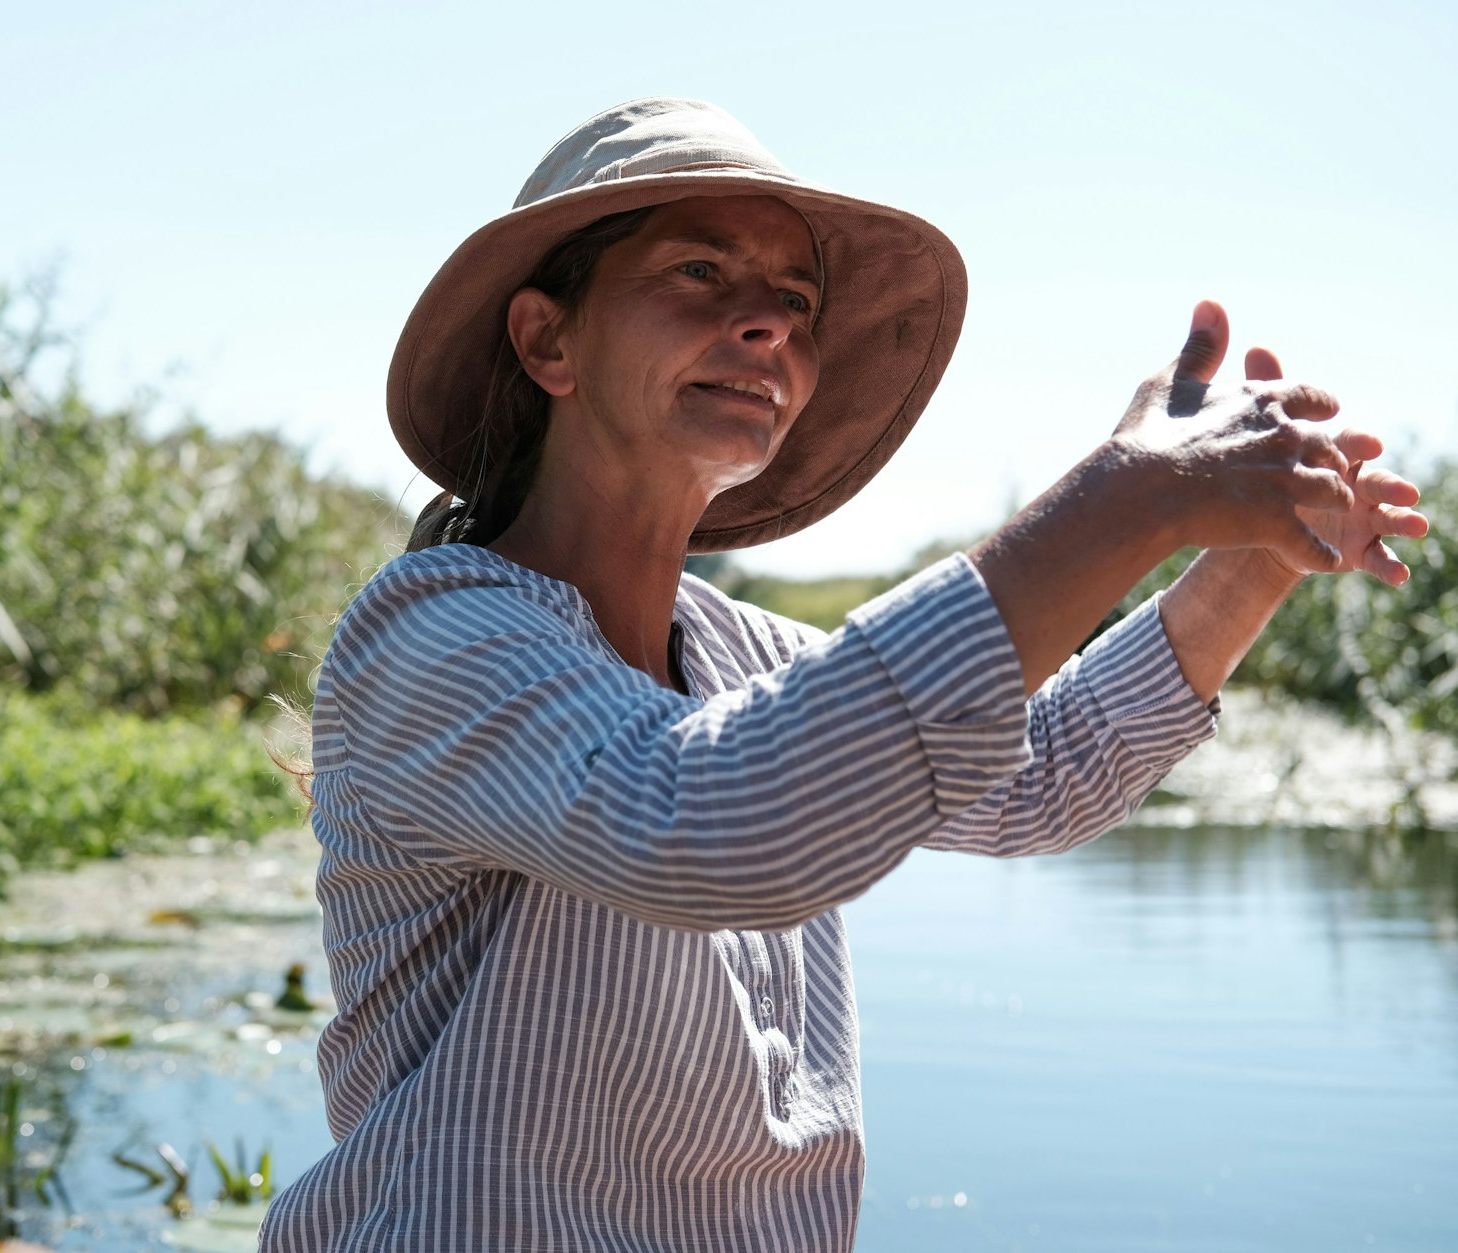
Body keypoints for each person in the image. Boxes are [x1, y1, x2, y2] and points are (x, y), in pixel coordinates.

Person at [258, 98, 1428, 1251]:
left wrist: (1256, 555)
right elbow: (711, 816)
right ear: (546, 341)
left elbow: (1045, 773)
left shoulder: (736, 650)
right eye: (700, 274)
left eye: (795, 298)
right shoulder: (438, 631)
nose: (766, 321)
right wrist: (1129, 495)